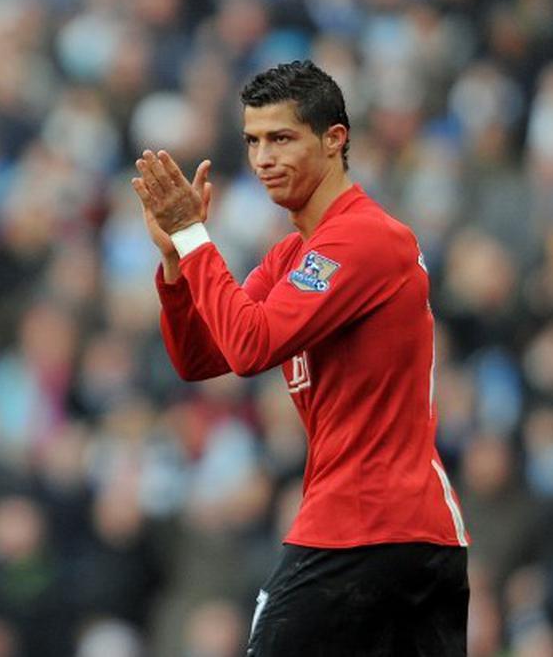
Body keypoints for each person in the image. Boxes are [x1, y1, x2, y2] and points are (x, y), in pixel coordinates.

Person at [130, 60, 470, 655]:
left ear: (334, 139)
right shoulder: (295, 255)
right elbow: (204, 357)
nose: (263, 158)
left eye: (281, 138)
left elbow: (252, 344)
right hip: (417, 536)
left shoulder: (364, 237)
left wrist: (194, 236)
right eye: (253, 142)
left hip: (361, 526)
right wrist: (176, 264)